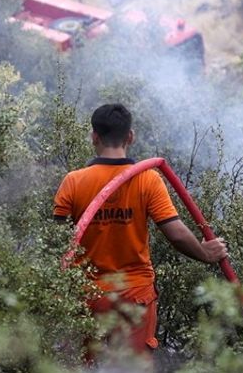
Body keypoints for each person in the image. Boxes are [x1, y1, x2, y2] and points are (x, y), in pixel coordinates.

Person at [53, 103, 228, 358]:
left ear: (94, 137)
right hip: (134, 297)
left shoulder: (73, 181)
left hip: (87, 297)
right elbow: (176, 233)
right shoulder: (147, 179)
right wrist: (205, 253)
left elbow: (57, 241)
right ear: (130, 136)